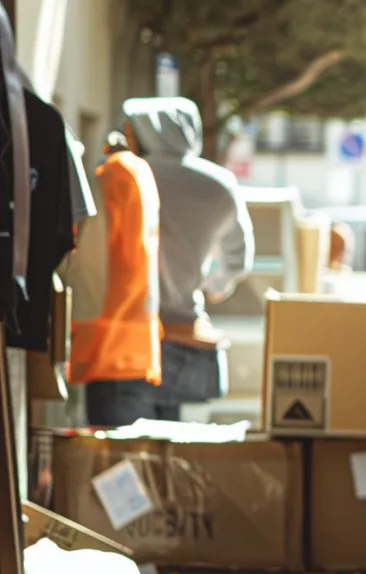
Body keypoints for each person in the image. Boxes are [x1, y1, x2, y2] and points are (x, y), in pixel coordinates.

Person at [84, 98, 254, 424]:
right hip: (187, 342)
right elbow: (239, 259)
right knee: (166, 460)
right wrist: (208, 286)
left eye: (130, 130)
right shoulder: (219, 185)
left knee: (118, 464)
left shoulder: (121, 178)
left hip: (125, 342)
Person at [72, 132, 162, 422]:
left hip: (108, 338)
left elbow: (90, 255)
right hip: (138, 335)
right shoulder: (141, 173)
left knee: (107, 452)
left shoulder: (110, 176)